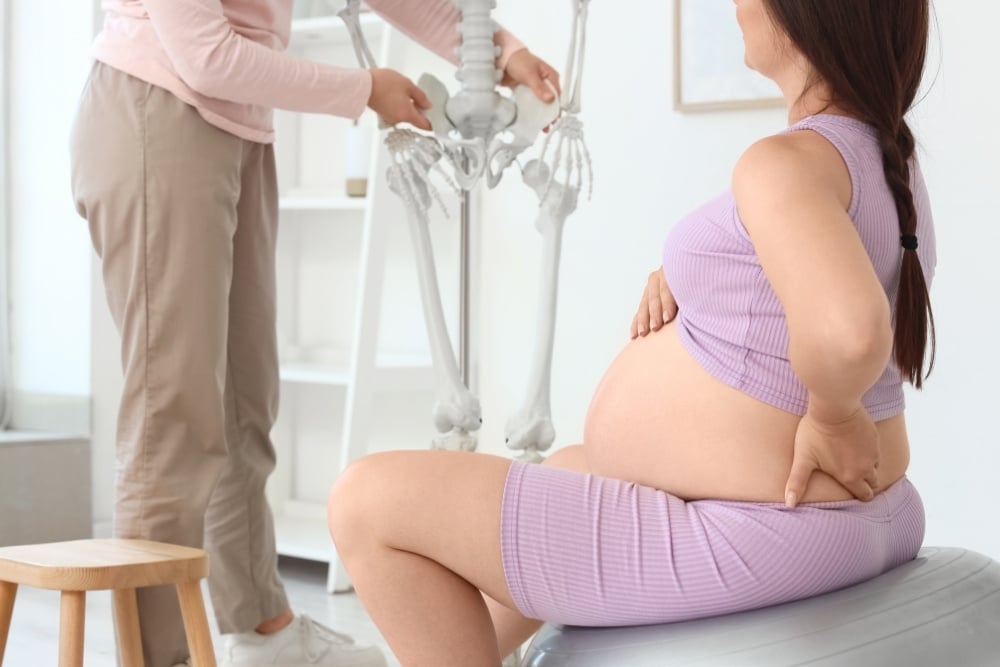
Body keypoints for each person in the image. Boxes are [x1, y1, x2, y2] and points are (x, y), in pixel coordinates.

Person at [327, 0, 937, 665]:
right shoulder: (883, 156)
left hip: (765, 533)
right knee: (568, 466)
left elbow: (849, 328)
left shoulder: (784, 163)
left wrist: (834, 415)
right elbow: (811, 278)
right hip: (864, 516)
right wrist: (692, 271)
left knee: (367, 501)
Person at [69, 0, 561, 665]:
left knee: (246, 405)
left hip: (237, 131)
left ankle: (260, 629)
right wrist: (362, 91)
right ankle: (157, 655)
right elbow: (205, 55)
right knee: (174, 419)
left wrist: (500, 53)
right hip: (159, 112)